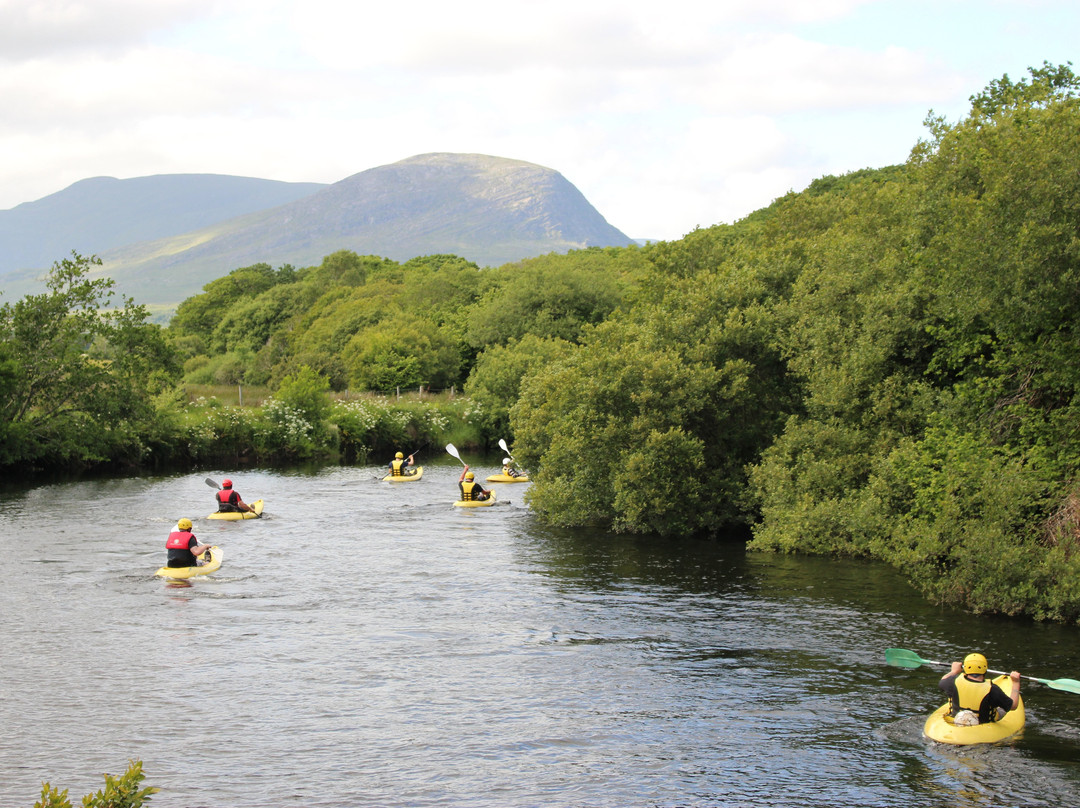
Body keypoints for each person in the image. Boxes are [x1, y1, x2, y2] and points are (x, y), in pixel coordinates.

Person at [939, 653, 1021, 725]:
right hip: (984, 724)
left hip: (955, 720)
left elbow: (943, 681)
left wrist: (954, 671)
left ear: (965, 668)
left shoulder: (952, 682)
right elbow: (1013, 706)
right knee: (1002, 709)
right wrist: (1016, 682)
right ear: (985, 669)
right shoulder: (992, 690)